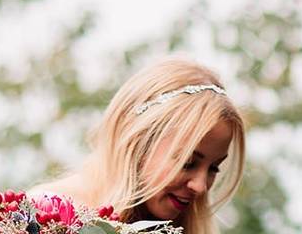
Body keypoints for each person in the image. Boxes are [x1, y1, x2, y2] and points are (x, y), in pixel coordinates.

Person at [29, 56, 246, 234]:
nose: (200, 186)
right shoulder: (43, 218)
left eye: (213, 168)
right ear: (138, 142)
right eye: (187, 163)